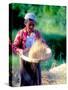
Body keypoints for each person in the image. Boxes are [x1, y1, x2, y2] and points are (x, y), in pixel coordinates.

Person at [12, 13, 47, 86]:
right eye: (29, 24)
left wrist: (44, 46)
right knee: (26, 82)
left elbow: (43, 43)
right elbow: (14, 47)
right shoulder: (21, 33)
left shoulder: (37, 33)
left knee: (36, 82)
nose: (31, 27)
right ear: (25, 23)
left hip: (35, 61)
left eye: (33, 25)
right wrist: (22, 51)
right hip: (25, 62)